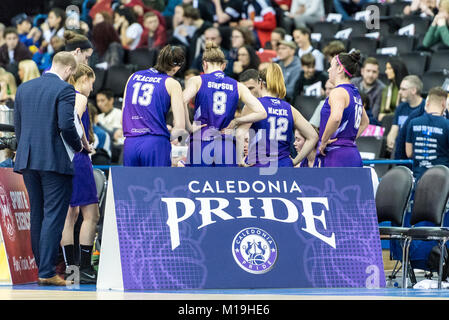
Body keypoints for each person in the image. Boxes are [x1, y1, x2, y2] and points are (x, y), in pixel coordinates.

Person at [13, 51, 82, 286]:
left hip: (27, 160)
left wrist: (23, 154)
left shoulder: (24, 88)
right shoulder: (65, 89)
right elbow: (66, 125)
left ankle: (42, 268)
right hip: (54, 161)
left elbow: (18, 128)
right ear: (69, 70)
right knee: (53, 215)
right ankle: (46, 271)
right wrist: (79, 146)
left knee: (38, 214)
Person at [182, 42, 267, 167]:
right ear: (224, 65)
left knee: (199, 185)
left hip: (201, 141)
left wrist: (188, 127)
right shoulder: (238, 85)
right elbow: (262, 112)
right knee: (224, 186)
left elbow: (181, 100)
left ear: (204, 64)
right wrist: (237, 121)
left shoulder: (197, 80)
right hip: (225, 144)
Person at [60, 63, 100, 284]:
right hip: (78, 158)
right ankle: (85, 269)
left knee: (69, 216)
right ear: (83, 78)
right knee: (91, 215)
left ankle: (71, 270)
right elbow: (73, 123)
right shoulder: (79, 98)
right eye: (91, 83)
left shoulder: (62, 96)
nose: (92, 89)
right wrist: (85, 144)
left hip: (63, 158)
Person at [238, 63, 318, 167]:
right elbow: (313, 136)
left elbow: (240, 134)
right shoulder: (290, 109)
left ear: (260, 83)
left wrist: (240, 161)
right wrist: (295, 161)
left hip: (259, 165)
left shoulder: (253, 106)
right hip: (283, 165)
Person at [122, 44, 186, 167]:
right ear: (177, 67)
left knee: (131, 186)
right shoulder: (172, 83)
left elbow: (123, 114)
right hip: (155, 143)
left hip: (130, 143)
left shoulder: (133, 76)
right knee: (157, 185)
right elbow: (180, 127)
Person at [316, 50, 370, 167]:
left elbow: (336, 118)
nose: (328, 70)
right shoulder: (355, 93)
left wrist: (323, 142)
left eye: (331, 66)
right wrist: (348, 140)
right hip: (352, 153)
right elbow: (365, 122)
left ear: (340, 69)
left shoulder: (338, 91)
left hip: (336, 155)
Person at [406, 87, 449, 180]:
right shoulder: (447, 125)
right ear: (443, 104)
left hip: (419, 178)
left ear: (427, 103)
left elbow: (409, 152)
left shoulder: (413, 122)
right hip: (442, 180)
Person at [386, 75, 425, 154]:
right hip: (401, 146)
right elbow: (394, 128)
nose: (399, 92)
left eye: (403, 89)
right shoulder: (401, 107)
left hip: (417, 148)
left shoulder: (425, 107)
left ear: (414, 90)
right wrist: (390, 139)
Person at [378, 58, 409, 122]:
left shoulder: (407, 88)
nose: (386, 71)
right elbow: (382, 112)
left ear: (397, 69)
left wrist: (387, 116)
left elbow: (405, 110)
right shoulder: (387, 88)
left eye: (389, 68)